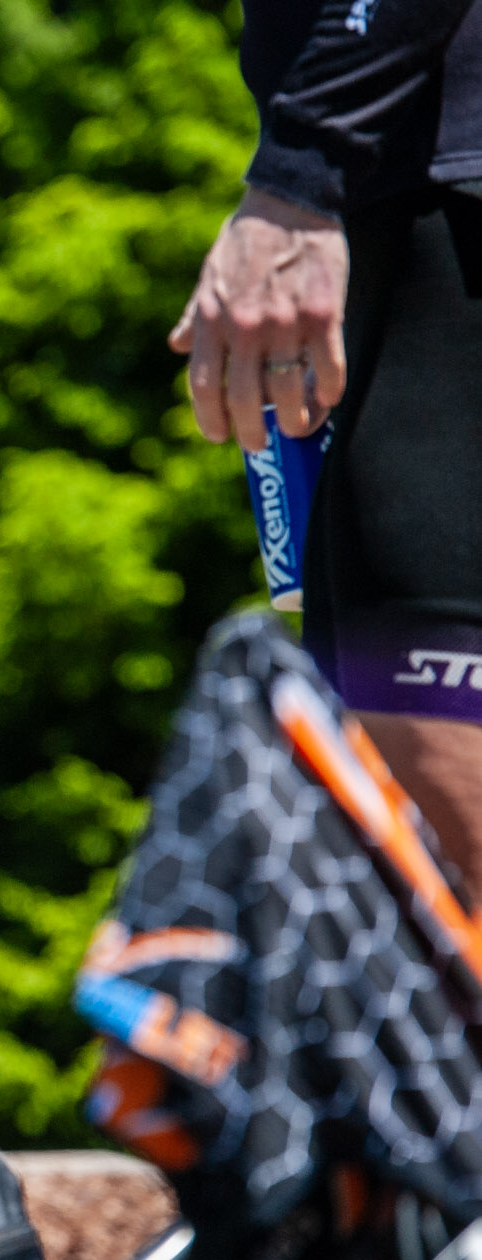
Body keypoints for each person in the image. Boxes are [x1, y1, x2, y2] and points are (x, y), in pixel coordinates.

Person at [173, 0, 482, 890]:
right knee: (384, 825)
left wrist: (297, 179)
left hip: (445, 206)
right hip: (394, 209)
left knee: (433, 817)